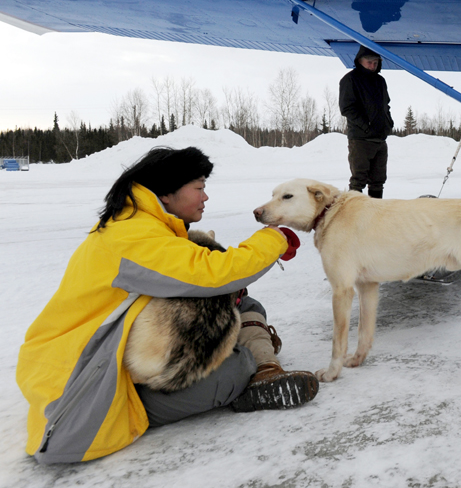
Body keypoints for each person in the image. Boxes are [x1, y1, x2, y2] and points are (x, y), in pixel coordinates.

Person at [16, 147, 318, 465]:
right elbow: (213, 273)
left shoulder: (139, 225)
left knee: (244, 303)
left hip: (107, 357)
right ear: (166, 193)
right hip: (85, 391)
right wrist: (274, 239)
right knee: (234, 366)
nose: (205, 197)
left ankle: (264, 369)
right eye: (199, 187)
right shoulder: (131, 236)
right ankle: (247, 376)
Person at [339, 46, 394, 198]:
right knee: (358, 180)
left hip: (380, 138)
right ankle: (353, 214)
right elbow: (347, 108)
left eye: (375, 62)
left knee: (378, 180)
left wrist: (388, 123)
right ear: (360, 61)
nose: (372, 65)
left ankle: (375, 214)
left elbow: (386, 105)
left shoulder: (380, 81)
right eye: (369, 62)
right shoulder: (350, 79)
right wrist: (367, 127)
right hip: (361, 139)